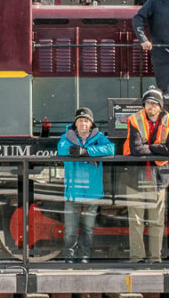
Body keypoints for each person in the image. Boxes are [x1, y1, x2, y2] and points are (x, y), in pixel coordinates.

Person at [122, 86, 169, 263]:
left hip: (158, 178)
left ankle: (155, 258)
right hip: (135, 177)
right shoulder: (134, 120)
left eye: (154, 103)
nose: (151, 106)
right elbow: (136, 149)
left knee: (156, 220)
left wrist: (150, 147)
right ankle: (136, 257)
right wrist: (157, 149)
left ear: (160, 106)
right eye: (148, 103)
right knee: (135, 220)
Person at [57, 107, 115, 264]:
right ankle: (69, 256)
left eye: (86, 121)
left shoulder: (99, 137)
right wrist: (82, 152)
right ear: (76, 124)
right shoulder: (66, 137)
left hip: (92, 191)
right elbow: (61, 149)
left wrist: (85, 151)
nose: (83, 123)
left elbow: (111, 148)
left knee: (88, 229)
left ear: (91, 124)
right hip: (73, 191)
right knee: (70, 230)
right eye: (80, 120)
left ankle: (84, 256)